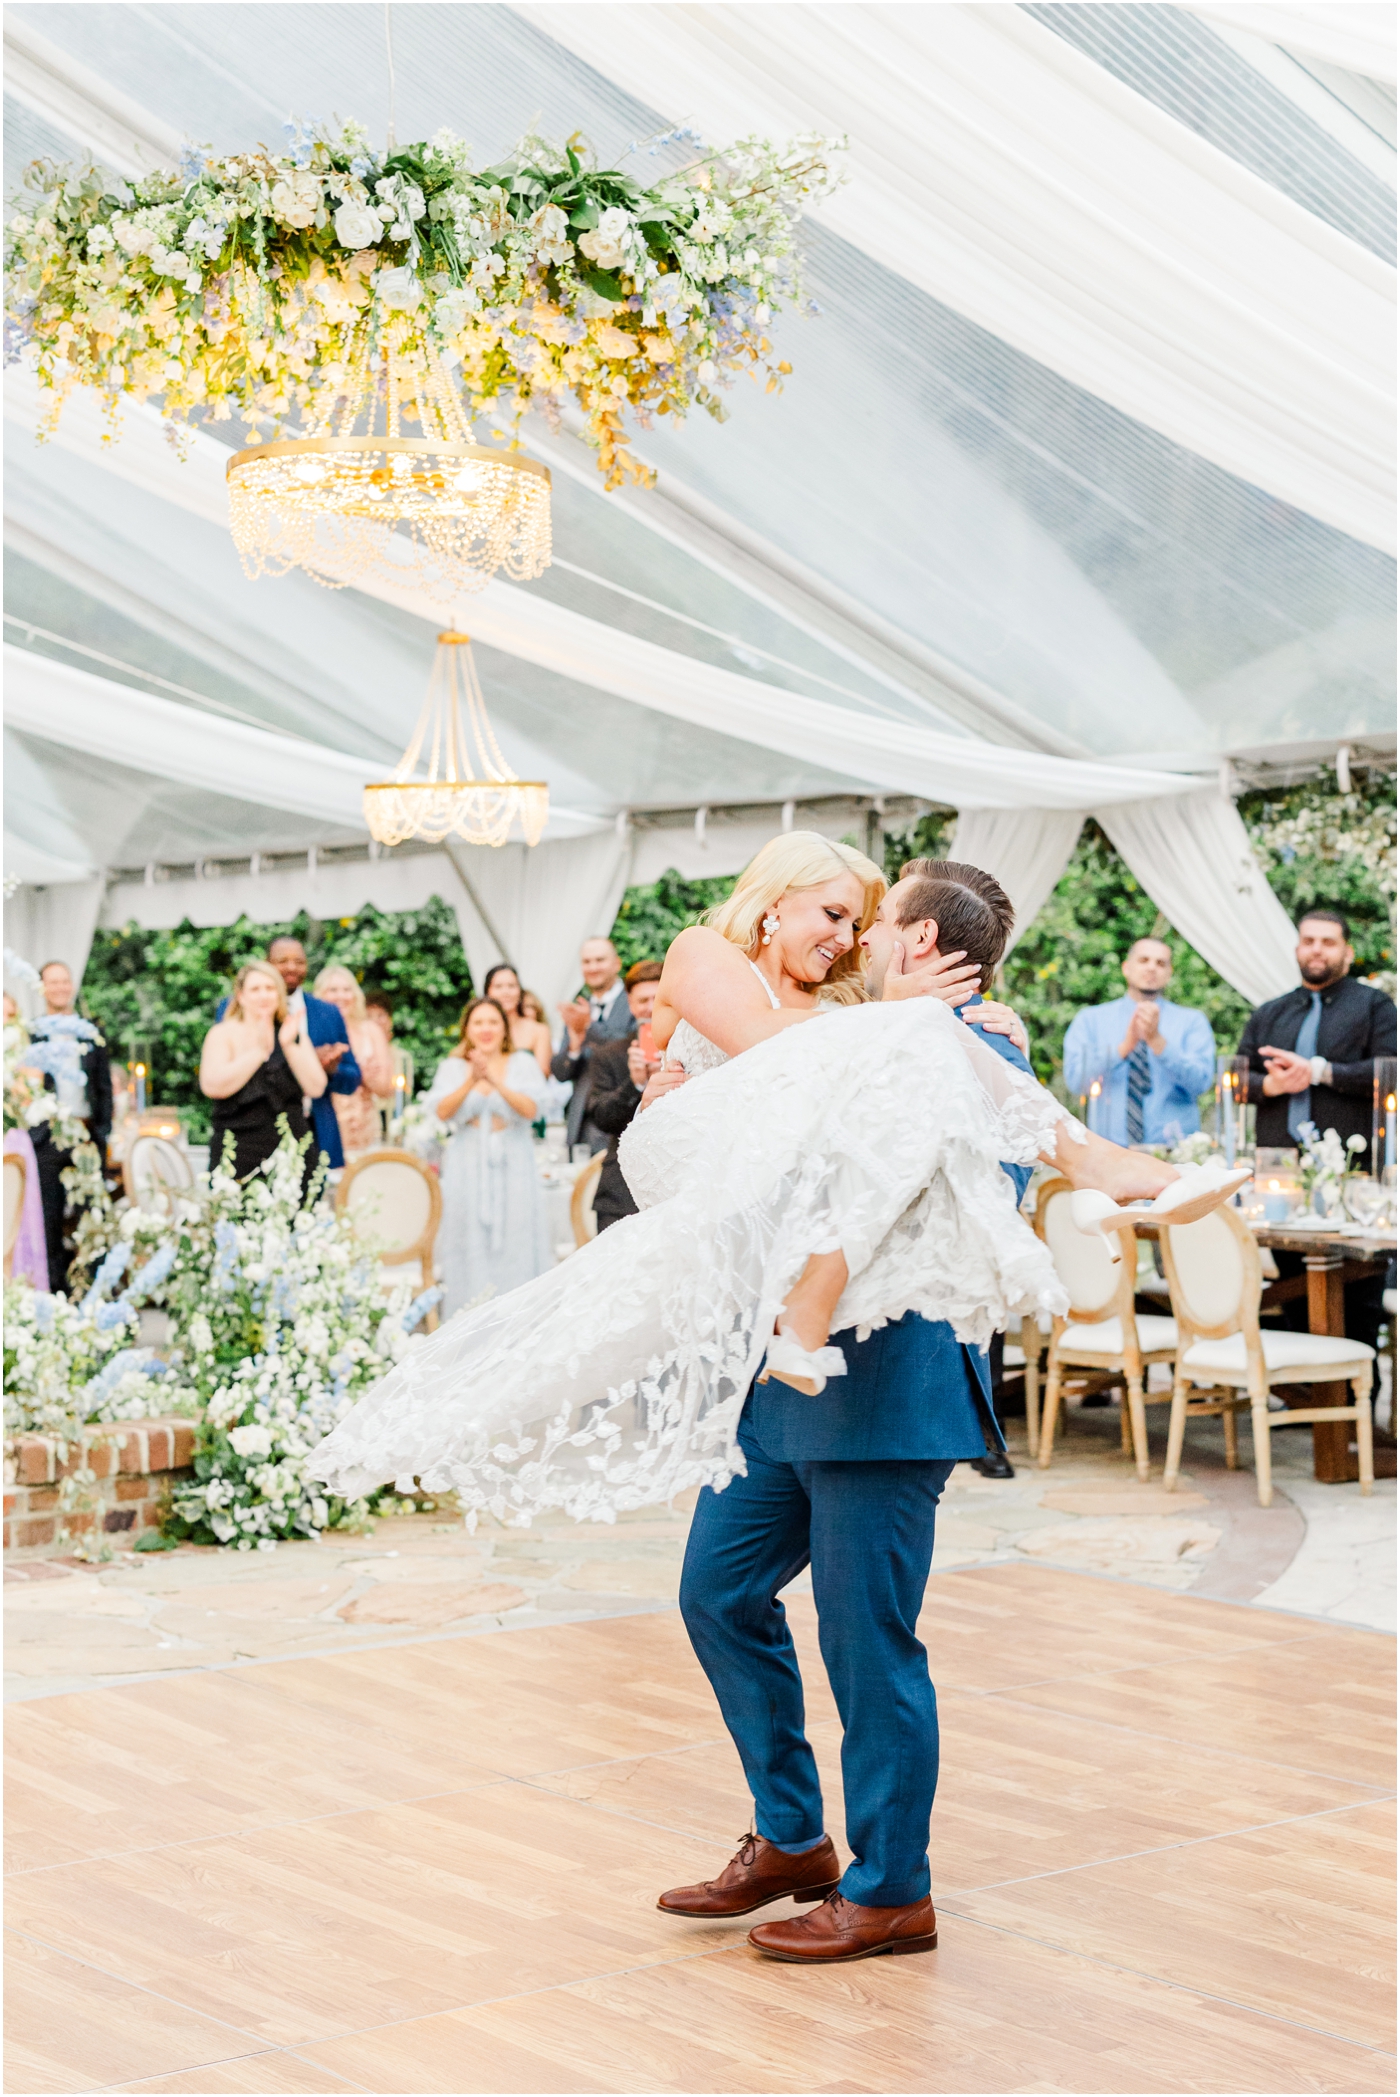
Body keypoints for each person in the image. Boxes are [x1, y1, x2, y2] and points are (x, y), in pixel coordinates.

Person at [309, 834, 1241, 1962]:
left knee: (864, 1644)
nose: (847, 939)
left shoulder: (936, 1036)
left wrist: (943, 1039)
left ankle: (891, 1886)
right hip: (779, 1371)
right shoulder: (847, 1011)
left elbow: (956, 1158)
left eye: (864, 919)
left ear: (912, 939)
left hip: (886, 1376)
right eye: (834, 915)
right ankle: (792, 1835)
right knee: (716, 1593)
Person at [1239, 906, 1397, 1372]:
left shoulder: (1374, 1006)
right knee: (1291, 1288)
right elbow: (1236, 1077)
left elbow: (1390, 1073)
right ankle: (1307, 1401)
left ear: (1346, 952)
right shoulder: (1270, 1013)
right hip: (1278, 1171)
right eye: (1309, 941)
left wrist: (1320, 1072)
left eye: (1328, 942)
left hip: (1350, 1171)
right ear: (1297, 949)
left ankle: (1355, 1410)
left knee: (1359, 1290)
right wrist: (1271, 1086)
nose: (1316, 950)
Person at [425, 997, 550, 1315]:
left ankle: (519, 1317)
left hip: (513, 1161)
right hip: (468, 1163)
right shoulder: (453, 1067)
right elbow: (442, 1111)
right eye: (478, 1022)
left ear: (504, 1028)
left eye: (493, 1022)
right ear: (467, 1028)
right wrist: (472, 1079)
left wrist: (494, 1081)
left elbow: (532, 1110)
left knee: (517, 1236)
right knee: (468, 1239)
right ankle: (467, 1315)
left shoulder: (522, 1063)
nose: (486, 1029)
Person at [219, 939, 361, 1172]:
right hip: (251, 1133)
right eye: (283, 961)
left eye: (299, 961)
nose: (292, 967)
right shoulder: (235, 1007)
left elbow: (352, 1079)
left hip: (317, 1130)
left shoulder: (327, 1012)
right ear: (268, 964)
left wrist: (329, 1067)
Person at [1063, 937, 1216, 1147]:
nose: (1152, 968)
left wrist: (1158, 1042)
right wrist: (1124, 1047)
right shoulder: (1090, 1020)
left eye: (1161, 963)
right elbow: (1076, 1081)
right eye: (1144, 960)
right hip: (1108, 1152)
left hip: (1175, 1153)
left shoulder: (1192, 1022)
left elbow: (1201, 1083)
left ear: (1169, 973)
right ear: (1126, 968)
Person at [27, 960, 113, 1292]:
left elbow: (103, 1086)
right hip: (46, 1137)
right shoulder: (30, 1032)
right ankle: (54, 1289)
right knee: (47, 1217)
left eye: (66, 981)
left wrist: (102, 1132)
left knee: (92, 1214)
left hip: (86, 1134)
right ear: (42, 988)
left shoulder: (91, 1031)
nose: (61, 987)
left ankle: (94, 1289)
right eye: (54, 982)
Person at [200, 960, 327, 1182]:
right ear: (241, 996)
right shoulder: (223, 1034)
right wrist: (259, 1052)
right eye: (255, 989)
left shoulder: (291, 1033)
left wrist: (289, 1046)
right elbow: (213, 1085)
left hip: (292, 1152)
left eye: (270, 989)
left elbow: (316, 1087)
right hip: (239, 1149)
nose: (263, 995)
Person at [585, 961, 664, 1231]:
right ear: (631, 1004)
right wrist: (635, 1084)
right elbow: (601, 1118)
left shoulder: (694, 1048)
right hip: (620, 1197)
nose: (651, 1007)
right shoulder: (609, 1055)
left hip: (677, 1192)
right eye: (643, 1000)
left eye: (658, 998)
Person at [551, 936, 634, 1153]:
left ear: (617, 963)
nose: (593, 967)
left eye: (600, 960)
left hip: (625, 1118)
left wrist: (589, 1027)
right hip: (583, 1122)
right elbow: (561, 1073)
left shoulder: (635, 1001)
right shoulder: (579, 1007)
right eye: (587, 962)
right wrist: (574, 1048)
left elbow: (630, 1047)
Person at [312, 966, 395, 1159]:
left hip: (366, 1132)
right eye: (333, 990)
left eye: (347, 989)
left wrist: (363, 1076)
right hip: (327, 1131)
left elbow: (386, 1089)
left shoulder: (371, 1031)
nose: (341, 996)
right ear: (320, 994)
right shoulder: (313, 1031)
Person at [482, 965, 553, 1077]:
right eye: (498, 986)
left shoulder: (539, 1030)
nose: (506, 992)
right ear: (487, 992)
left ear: (520, 991)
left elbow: (543, 1073)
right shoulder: (479, 1030)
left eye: (511, 986)